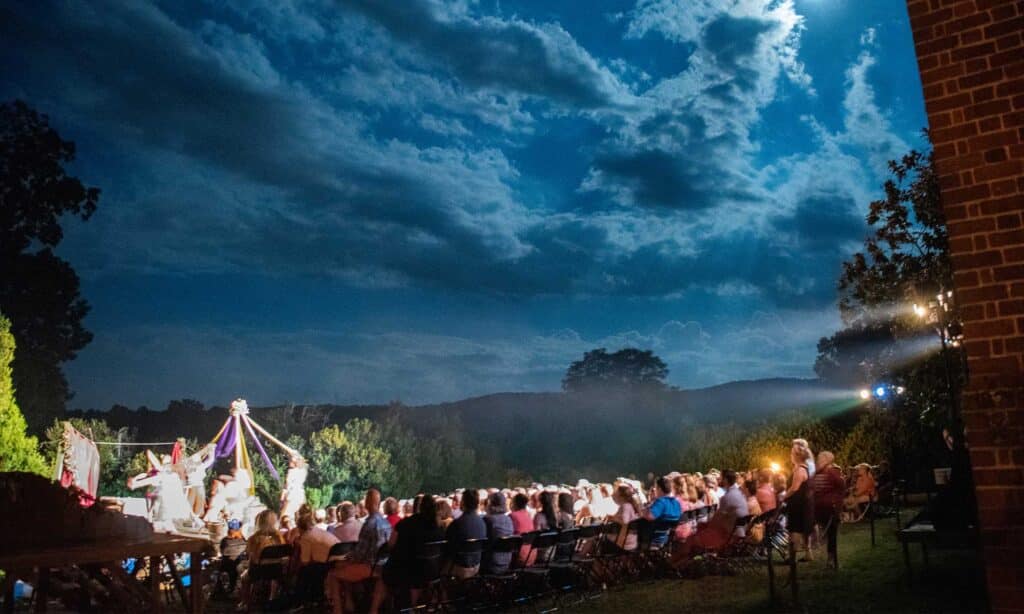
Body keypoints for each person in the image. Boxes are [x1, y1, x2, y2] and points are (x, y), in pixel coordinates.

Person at [373, 495, 445, 613]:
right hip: (433, 572)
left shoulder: (406, 523)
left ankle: (374, 610)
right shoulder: (439, 527)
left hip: (408, 573)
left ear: (419, 507)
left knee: (383, 575)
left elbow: (391, 545)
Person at [327, 488, 392, 614]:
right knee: (345, 568)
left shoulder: (369, 524)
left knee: (334, 573)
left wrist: (347, 560)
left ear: (368, 502)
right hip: (383, 565)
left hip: (370, 567)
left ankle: (338, 610)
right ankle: (349, 603)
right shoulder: (386, 523)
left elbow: (360, 555)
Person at [239, 510, 285, 610]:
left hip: (258, 572)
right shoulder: (279, 537)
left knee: (243, 577)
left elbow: (252, 558)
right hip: (276, 571)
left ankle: (245, 602)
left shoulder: (254, 538)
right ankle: (272, 598)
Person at [812, 451, 845, 569]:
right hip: (825, 508)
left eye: (820, 458)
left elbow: (841, 487)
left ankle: (830, 560)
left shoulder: (823, 472)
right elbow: (841, 487)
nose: (818, 460)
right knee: (830, 534)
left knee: (829, 534)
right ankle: (831, 561)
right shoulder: (825, 472)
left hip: (824, 507)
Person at [445, 489, 487, 579]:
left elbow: (447, 546)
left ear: (463, 502)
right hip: (477, 566)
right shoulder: (483, 523)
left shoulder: (457, 524)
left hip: (459, 567)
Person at [784, 444, 814, 562]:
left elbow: (794, 488)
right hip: (804, 502)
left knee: (795, 529)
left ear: (797, 456)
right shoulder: (805, 468)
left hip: (798, 503)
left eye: (792, 453)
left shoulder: (800, 470)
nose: (790, 455)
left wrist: (784, 497)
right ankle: (808, 553)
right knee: (804, 528)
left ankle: (793, 556)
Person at [482, 492, 515, 574]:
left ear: (490, 504)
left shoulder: (488, 520)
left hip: (490, 563)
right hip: (507, 561)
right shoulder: (509, 520)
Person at [217, 518, 247, 594]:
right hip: (237, 564)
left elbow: (221, 551)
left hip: (225, 565)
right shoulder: (243, 541)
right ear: (238, 530)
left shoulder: (225, 540)